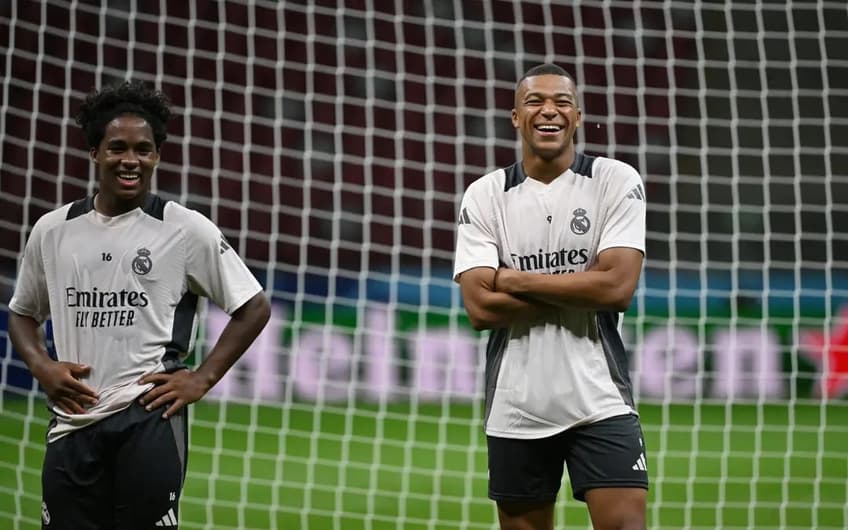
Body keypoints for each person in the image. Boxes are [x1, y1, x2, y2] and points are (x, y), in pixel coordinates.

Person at [8, 79, 271, 529]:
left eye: (144, 149)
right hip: (74, 420)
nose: (131, 160)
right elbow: (21, 313)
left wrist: (202, 378)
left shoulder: (184, 229)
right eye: (117, 148)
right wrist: (42, 367)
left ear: (157, 155)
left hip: (147, 417)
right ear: (94, 153)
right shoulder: (52, 230)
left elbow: (254, 306)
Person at [453, 63, 649, 530]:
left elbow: (617, 288)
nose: (549, 111)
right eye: (535, 102)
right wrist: (583, 285)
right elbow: (480, 309)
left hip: (600, 399)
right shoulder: (485, 195)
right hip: (516, 406)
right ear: (516, 117)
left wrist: (513, 280)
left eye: (562, 102)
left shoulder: (614, 180)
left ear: (578, 117)